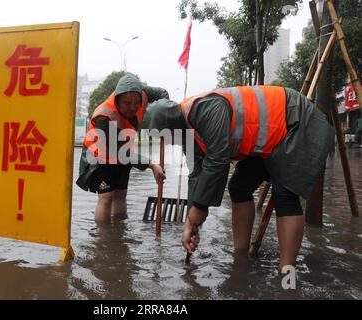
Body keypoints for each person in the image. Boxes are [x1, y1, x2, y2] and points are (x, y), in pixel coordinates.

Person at [141, 86, 335, 269]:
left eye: (164, 138)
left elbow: (218, 160)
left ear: (173, 128)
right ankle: (240, 257)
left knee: (284, 194)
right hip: (267, 142)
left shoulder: (205, 109)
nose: (167, 143)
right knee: (239, 187)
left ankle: (287, 274)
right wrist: (190, 223)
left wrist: (199, 209)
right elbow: (196, 176)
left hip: (295, 123)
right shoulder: (190, 134)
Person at [76, 74, 167, 222]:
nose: (133, 107)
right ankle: (104, 239)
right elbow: (119, 153)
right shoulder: (104, 116)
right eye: (127, 103)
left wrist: (165, 109)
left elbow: (162, 93)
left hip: (124, 151)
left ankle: (119, 232)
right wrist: (151, 165)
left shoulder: (142, 93)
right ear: (118, 99)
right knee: (106, 197)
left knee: (121, 194)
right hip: (100, 155)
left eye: (136, 103)